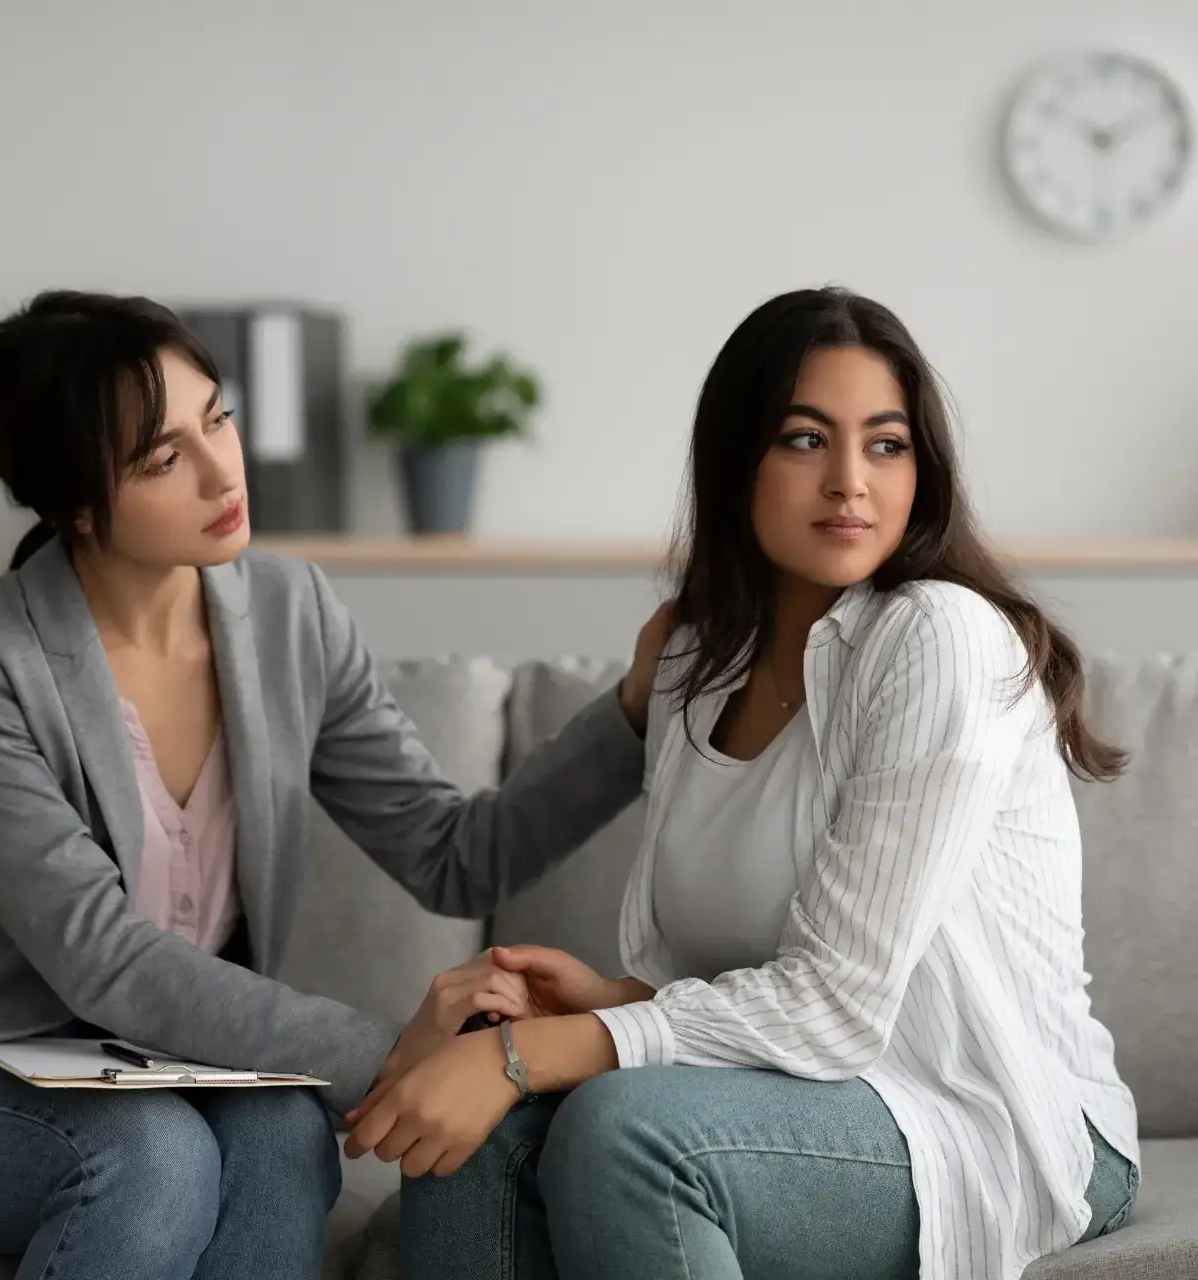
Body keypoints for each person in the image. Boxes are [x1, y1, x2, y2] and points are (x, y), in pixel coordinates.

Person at [0, 289, 671, 1280]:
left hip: (179, 1068)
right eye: (163, 458)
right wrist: (394, 1051)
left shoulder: (291, 611)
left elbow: (451, 853)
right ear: (75, 501)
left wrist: (636, 704)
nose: (220, 470)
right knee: (149, 1156)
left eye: (219, 418)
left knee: (286, 1130)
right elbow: (102, 959)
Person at [351, 288, 1141, 1280]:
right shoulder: (694, 661)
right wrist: (608, 1000)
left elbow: (839, 1005)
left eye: (885, 444)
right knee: (464, 1143)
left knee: (624, 1129)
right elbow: (747, 975)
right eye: (805, 440)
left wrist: (535, 1052)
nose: (850, 481)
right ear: (735, 461)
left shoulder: (935, 637)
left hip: (989, 1112)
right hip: (798, 1092)